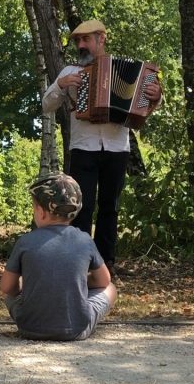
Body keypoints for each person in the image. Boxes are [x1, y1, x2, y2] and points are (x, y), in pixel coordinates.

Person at [40, 20, 161, 275]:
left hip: (117, 148)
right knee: (81, 207)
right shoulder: (69, 72)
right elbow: (46, 104)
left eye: (86, 40)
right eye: (77, 41)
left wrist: (155, 97)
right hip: (84, 147)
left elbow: (145, 105)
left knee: (110, 206)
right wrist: (61, 86)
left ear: (101, 39)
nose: (81, 45)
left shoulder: (130, 68)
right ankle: (81, 261)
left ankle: (106, 263)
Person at [0, 173, 117, 341]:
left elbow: (6, 288)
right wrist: (78, 280)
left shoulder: (25, 241)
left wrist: (27, 284)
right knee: (111, 289)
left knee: (13, 289)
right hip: (76, 330)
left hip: (29, 328)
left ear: (41, 212)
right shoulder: (84, 240)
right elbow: (104, 281)